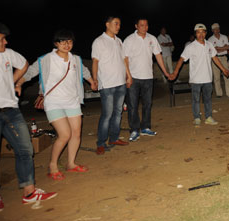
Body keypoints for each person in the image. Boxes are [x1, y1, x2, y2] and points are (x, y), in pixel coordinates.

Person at [18, 29, 96, 181]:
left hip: (72, 100)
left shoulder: (76, 59)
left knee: (76, 133)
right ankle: (52, 165)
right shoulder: (46, 59)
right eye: (63, 42)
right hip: (54, 101)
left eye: (69, 41)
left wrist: (92, 81)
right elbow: (30, 72)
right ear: (56, 43)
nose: (67, 45)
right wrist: (19, 83)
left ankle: (71, 163)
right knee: (65, 134)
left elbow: (84, 71)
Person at [0, 22, 57, 211]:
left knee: (25, 149)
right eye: (1, 39)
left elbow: (23, 65)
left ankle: (29, 192)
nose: (5, 42)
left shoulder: (8, 54)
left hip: (12, 110)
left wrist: (13, 82)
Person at [169, 24, 229, 126]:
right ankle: (197, 117)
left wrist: (224, 70)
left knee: (208, 99)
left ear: (205, 33)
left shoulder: (209, 45)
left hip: (207, 78)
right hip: (195, 79)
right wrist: (175, 72)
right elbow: (181, 59)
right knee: (196, 100)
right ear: (195, 34)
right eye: (198, 32)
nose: (201, 34)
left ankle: (208, 117)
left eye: (203, 32)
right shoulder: (191, 47)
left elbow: (215, 58)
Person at [123, 19, 171, 142]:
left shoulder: (152, 39)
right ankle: (134, 129)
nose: (144, 27)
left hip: (148, 77)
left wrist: (165, 72)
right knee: (133, 105)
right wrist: (128, 76)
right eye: (141, 25)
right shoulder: (129, 40)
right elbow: (125, 59)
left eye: (146, 25)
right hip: (133, 77)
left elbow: (158, 56)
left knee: (147, 104)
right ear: (136, 26)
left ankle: (145, 127)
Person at [92, 16, 132, 155]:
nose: (118, 27)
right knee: (107, 114)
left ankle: (114, 138)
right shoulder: (99, 41)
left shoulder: (119, 41)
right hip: (107, 84)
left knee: (118, 113)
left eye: (119, 24)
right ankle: (101, 143)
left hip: (120, 82)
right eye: (116, 24)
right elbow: (95, 61)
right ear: (107, 24)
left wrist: (128, 75)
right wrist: (94, 79)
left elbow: (123, 60)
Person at [208, 23, 229, 98]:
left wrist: (218, 48)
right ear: (212, 30)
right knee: (216, 77)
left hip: (224, 58)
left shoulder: (224, 37)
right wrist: (223, 48)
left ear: (219, 29)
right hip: (215, 58)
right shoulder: (210, 39)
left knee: (226, 75)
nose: (216, 30)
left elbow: (228, 47)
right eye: (214, 29)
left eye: (217, 28)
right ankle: (219, 94)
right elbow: (213, 50)